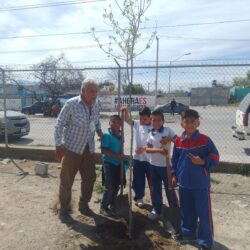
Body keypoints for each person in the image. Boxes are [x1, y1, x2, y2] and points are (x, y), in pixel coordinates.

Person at [171, 109, 219, 250]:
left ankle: (205, 242)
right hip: (184, 184)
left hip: (200, 184)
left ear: (198, 123)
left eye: (193, 121)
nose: (190, 124)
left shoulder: (205, 140)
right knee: (187, 212)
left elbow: (215, 157)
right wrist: (174, 175)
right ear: (182, 123)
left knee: (203, 214)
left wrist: (203, 161)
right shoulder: (178, 140)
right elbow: (175, 159)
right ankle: (188, 233)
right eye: (187, 121)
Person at [54, 79, 103, 217]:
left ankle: (84, 204)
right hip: (71, 149)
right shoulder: (71, 104)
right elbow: (59, 124)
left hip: (89, 149)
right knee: (66, 180)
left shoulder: (96, 104)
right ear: (83, 91)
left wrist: (99, 132)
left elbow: (96, 121)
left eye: (96, 91)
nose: (94, 94)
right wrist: (58, 144)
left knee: (90, 178)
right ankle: (64, 208)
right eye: (91, 91)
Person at [145, 110, 177, 220]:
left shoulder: (168, 131)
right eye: (154, 120)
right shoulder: (150, 134)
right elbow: (148, 149)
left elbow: (178, 140)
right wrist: (158, 150)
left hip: (166, 166)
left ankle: (175, 210)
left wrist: (170, 139)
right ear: (151, 121)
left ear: (163, 121)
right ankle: (157, 210)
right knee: (155, 189)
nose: (156, 122)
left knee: (170, 189)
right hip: (153, 166)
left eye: (159, 120)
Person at [122, 106, 152, 208]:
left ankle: (155, 199)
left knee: (152, 180)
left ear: (150, 118)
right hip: (138, 158)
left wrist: (143, 149)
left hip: (151, 159)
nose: (142, 121)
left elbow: (156, 142)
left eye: (145, 119)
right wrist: (126, 111)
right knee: (138, 179)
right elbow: (127, 120)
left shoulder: (154, 126)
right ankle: (139, 197)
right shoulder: (138, 124)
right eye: (141, 118)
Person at [100, 114, 127, 216]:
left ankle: (112, 203)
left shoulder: (121, 135)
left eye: (118, 122)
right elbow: (103, 150)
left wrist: (121, 157)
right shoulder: (107, 136)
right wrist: (117, 156)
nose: (116, 124)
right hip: (109, 163)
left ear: (121, 124)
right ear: (109, 123)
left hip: (118, 164)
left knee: (116, 185)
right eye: (113, 122)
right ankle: (103, 207)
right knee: (109, 187)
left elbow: (120, 147)